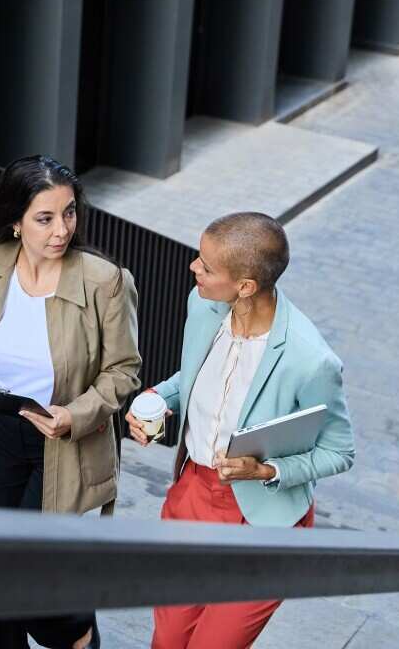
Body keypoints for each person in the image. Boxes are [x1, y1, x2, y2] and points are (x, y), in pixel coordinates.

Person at [0, 155, 141, 649]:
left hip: (63, 441)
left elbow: (124, 370)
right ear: (15, 221)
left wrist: (74, 416)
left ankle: (74, 627)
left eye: (69, 213)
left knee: (23, 577)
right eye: (46, 217)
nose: (62, 230)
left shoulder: (105, 281)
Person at [125, 212, 355, 649]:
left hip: (264, 522)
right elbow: (193, 375)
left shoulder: (310, 359)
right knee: (168, 640)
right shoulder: (204, 305)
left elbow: (340, 452)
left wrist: (267, 471)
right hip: (193, 495)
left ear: (246, 286)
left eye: (206, 266)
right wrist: (158, 399)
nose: (194, 267)